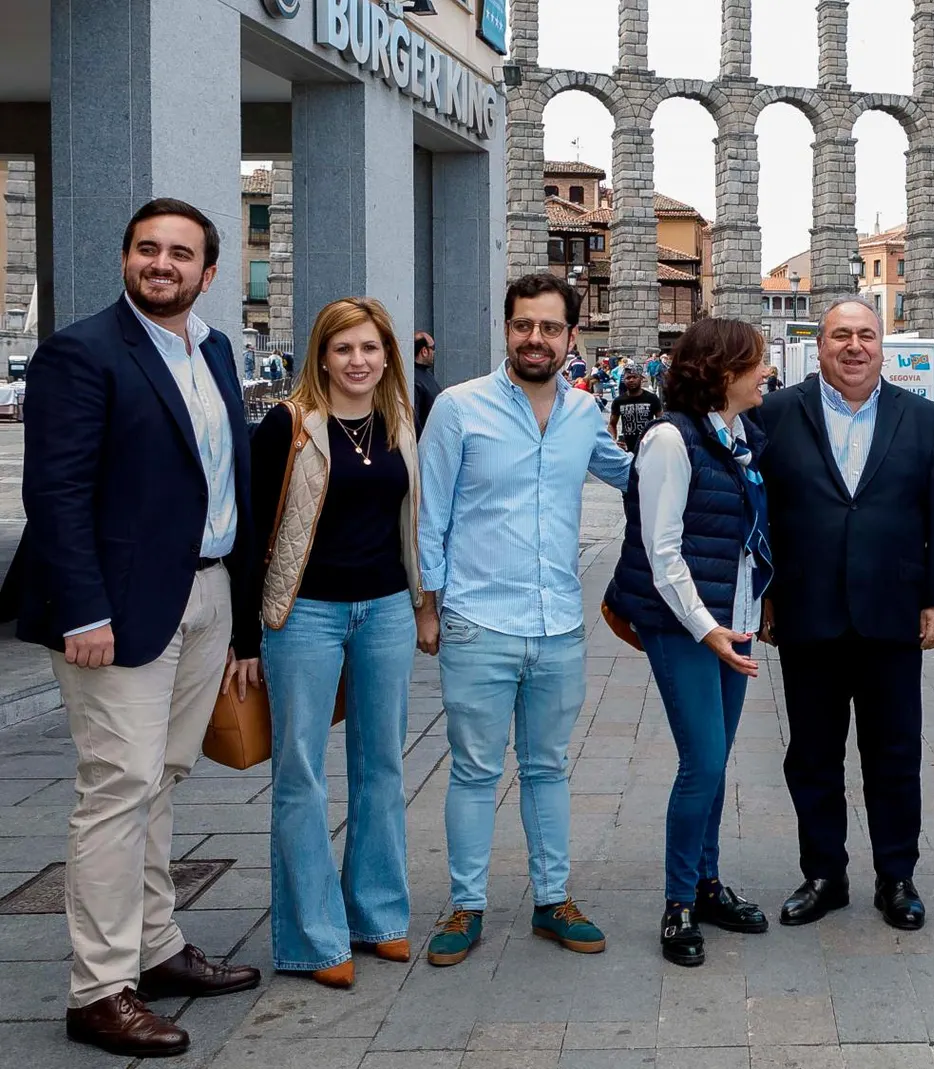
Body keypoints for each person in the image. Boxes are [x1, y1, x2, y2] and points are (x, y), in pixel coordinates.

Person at [0, 199, 261, 1057]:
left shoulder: (218, 350)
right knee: (118, 787)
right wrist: (83, 608)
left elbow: (224, 484)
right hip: (113, 612)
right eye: (148, 249)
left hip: (206, 594)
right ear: (125, 259)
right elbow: (56, 492)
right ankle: (99, 989)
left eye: (181, 253)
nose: (163, 264)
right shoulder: (81, 352)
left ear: (208, 273)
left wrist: (242, 616)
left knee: (164, 777)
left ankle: (154, 948)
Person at [416, 273, 632, 968]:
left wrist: (698, 439)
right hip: (479, 621)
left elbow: (628, 473)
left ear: (573, 337)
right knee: (476, 770)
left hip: (559, 624)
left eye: (548, 327)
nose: (534, 338)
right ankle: (465, 905)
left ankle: (552, 899)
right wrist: (431, 604)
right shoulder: (457, 408)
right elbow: (430, 513)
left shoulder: (581, 411)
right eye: (522, 326)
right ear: (506, 330)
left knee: (546, 768)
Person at [753, 296, 934, 932]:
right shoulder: (776, 414)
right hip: (807, 611)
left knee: (893, 753)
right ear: (818, 348)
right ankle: (824, 874)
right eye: (840, 336)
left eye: (865, 336)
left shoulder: (924, 418)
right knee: (812, 754)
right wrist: (763, 594)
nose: (854, 347)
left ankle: (897, 876)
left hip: (892, 613)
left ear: (883, 345)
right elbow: (759, 512)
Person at [248, 298, 424, 989]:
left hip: (385, 609)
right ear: (321, 355)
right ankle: (313, 936)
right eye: (344, 348)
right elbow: (254, 533)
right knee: (301, 774)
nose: (358, 361)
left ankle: (377, 917)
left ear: (388, 357)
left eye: (370, 349)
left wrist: (423, 602)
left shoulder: (400, 423)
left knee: (382, 766)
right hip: (305, 615)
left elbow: (415, 520)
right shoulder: (288, 427)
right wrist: (244, 635)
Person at [605, 318, 774, 967]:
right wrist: (708, 630)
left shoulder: (738, 436)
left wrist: (750, 615)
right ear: (722, 370)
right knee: (702, 762)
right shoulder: (670, 440)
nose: (765, 374)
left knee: (715, 761)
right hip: (685, 625)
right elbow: (662, 550)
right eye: (755, 363)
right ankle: (678, 902)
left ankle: (706, 884)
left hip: (732, 619)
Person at [610, 369, 664, 451]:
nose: (631, 380)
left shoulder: (652, 398)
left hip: (648, 445)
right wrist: (613, 441)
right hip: (627, 447)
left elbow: (661, 422)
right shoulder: (619, 401)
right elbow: (612, 424)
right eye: (628, 378)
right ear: (624, 381)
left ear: (641, 379)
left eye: (634, 377)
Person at [413, 330, 442, 436]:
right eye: (433, 348)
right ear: (424, 351)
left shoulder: (425, 375)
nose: (434, 352)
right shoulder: (415, 379)